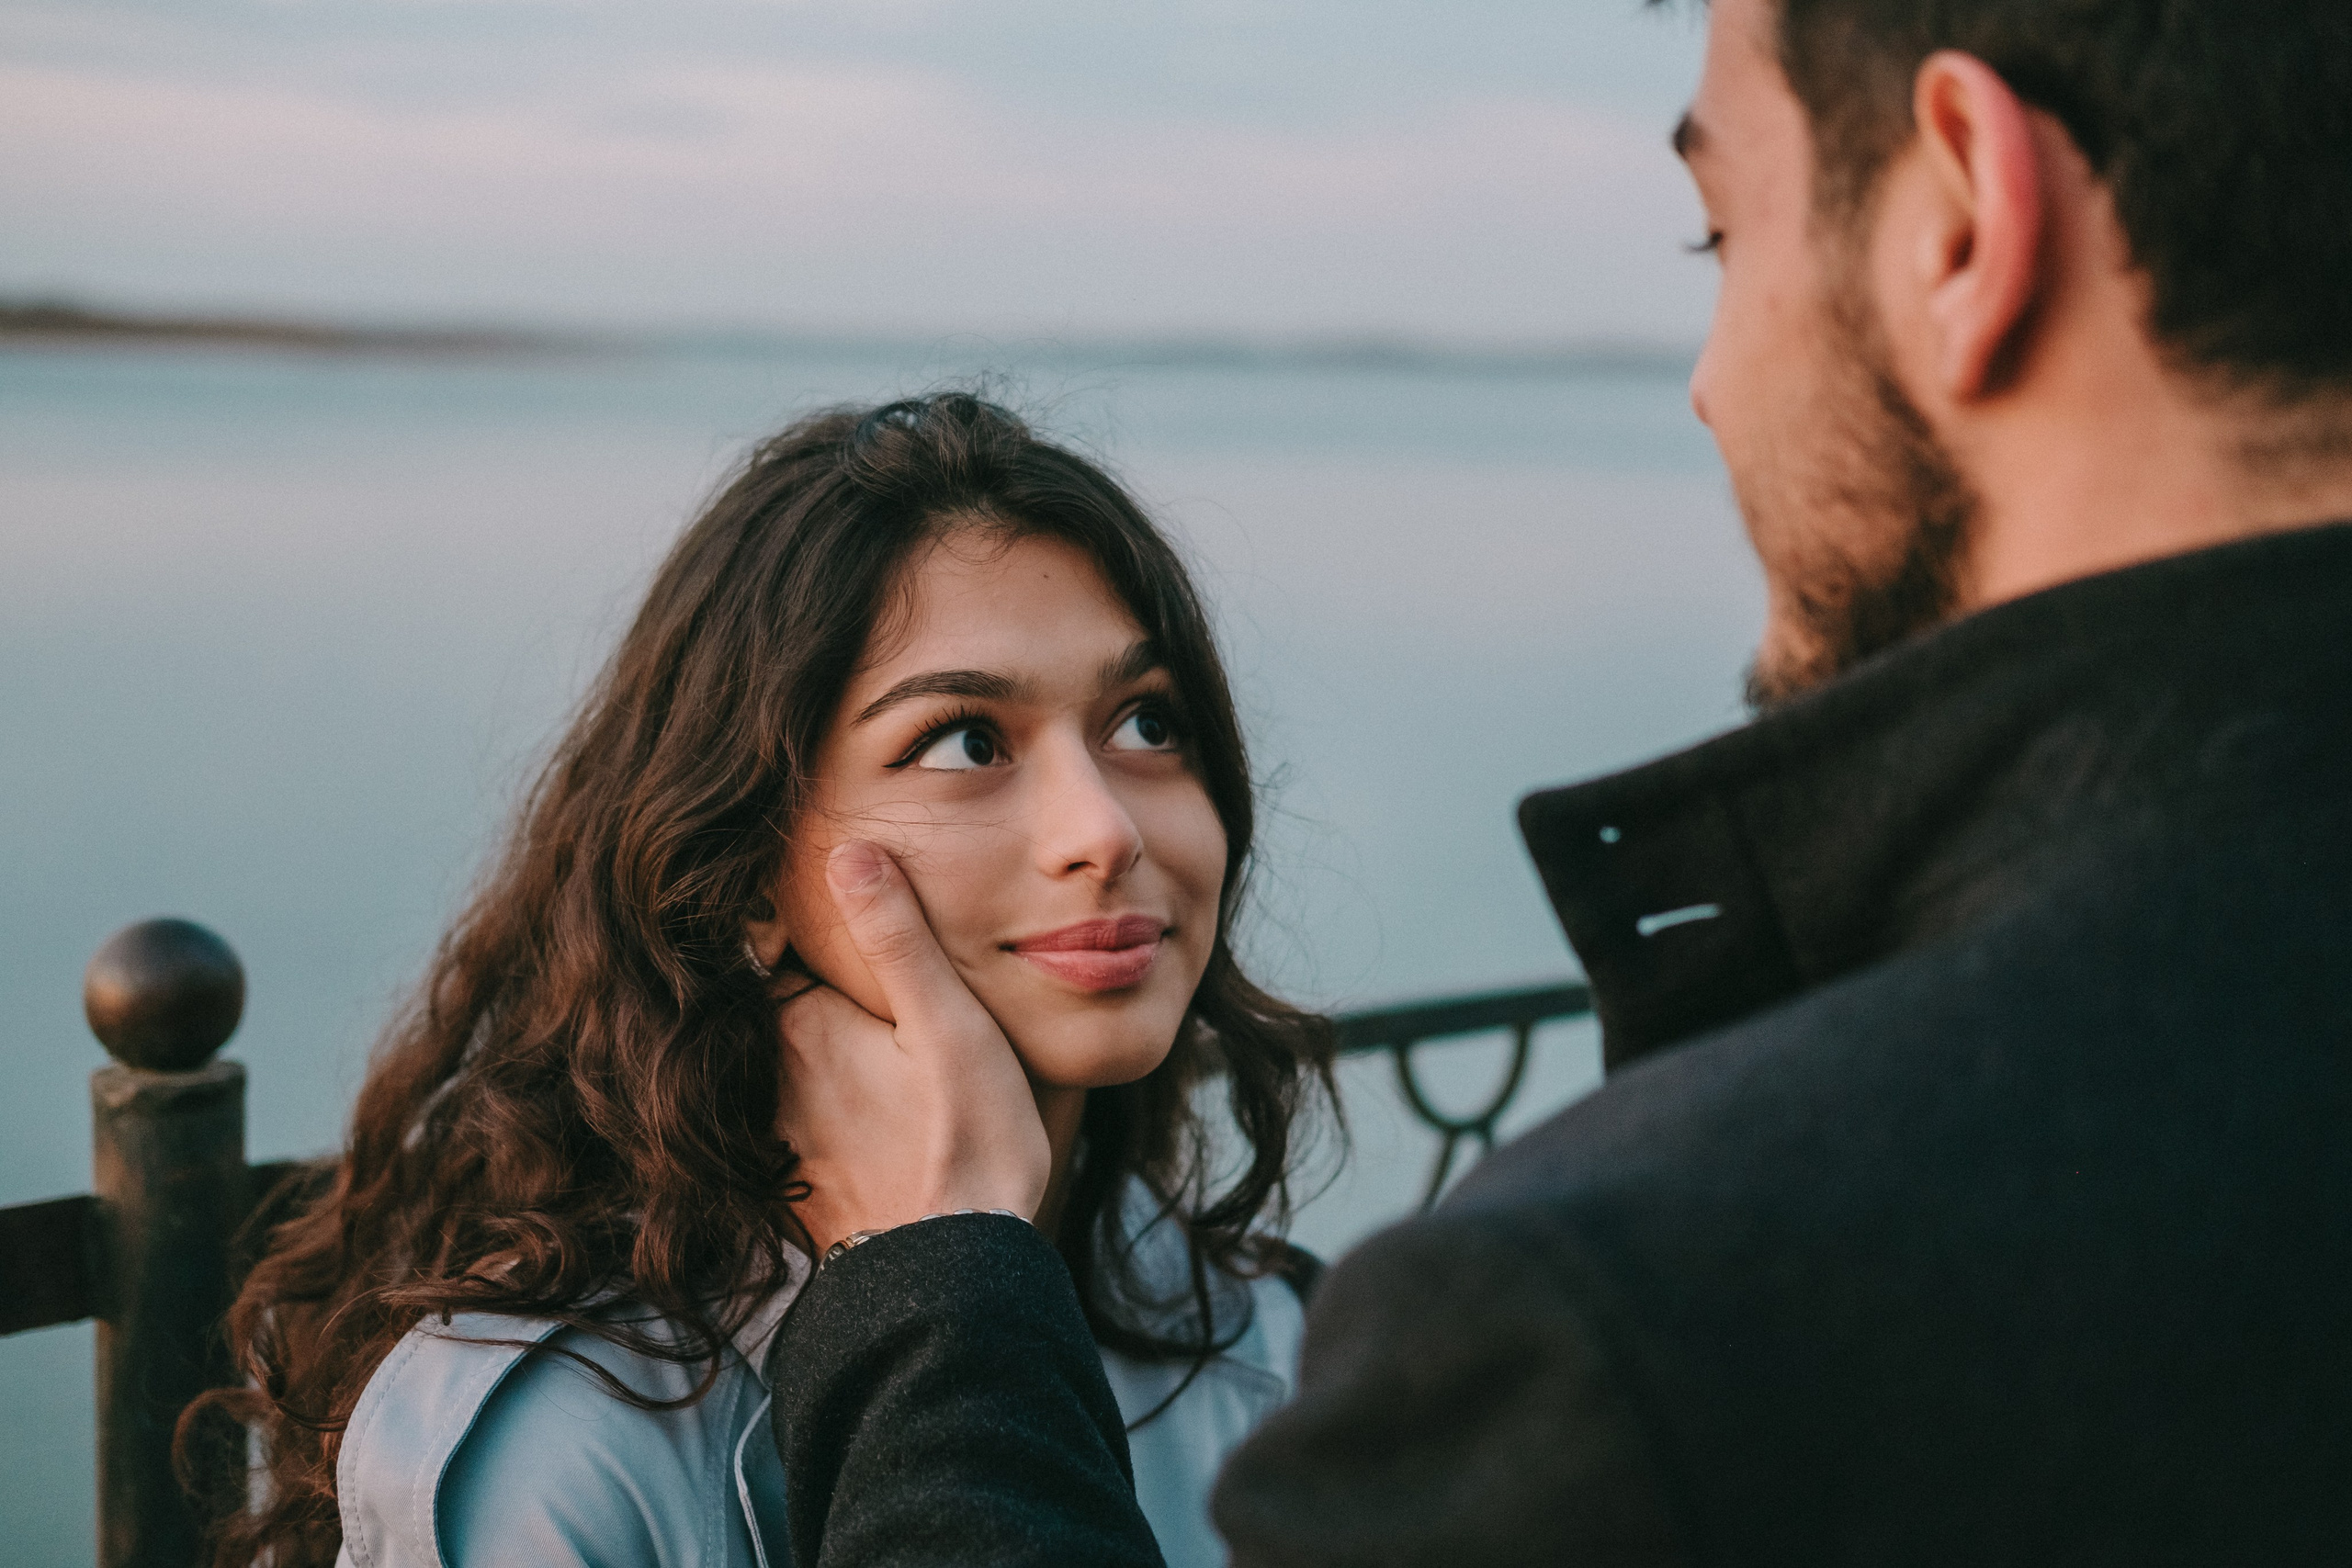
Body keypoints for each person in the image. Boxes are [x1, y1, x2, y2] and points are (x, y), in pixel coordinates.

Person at [757, 0, 2352, 1562]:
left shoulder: (1621, 1326)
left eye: (1717, 239)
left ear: (1961, 216)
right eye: (967, 739)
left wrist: (935, 1299)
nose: (1709, 384)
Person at [193, 394, 1333, 1568]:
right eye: (965, 742)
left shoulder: (1263, 1339)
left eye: (1147, 723)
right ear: (743, 873)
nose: (1103, 830)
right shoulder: (559, 1447)